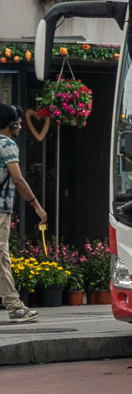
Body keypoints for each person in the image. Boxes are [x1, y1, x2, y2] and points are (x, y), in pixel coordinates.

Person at [0, 104, 44, 323]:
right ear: (11, 124)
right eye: (18, 122)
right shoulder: (8, 145)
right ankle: (15, 307)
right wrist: (36, 205)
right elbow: (17, 179)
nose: (20, 126)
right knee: (1, 258)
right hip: (0, 210)